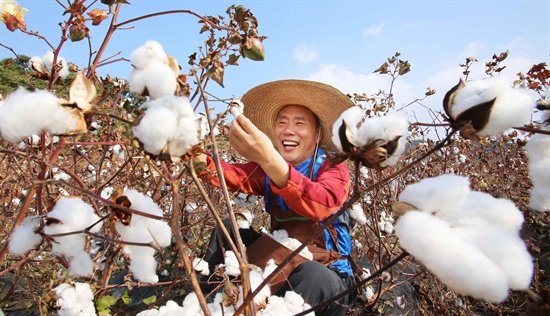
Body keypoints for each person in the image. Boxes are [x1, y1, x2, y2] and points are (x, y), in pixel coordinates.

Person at [197, 79, 356, 316]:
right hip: (286, 258)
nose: (288, 130)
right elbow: (233, 175)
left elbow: (323, 203)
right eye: (282, 123)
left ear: (317, 133)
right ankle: (210, 305)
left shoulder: (332, 166)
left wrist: (271, 160)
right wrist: (195, 156)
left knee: (312, 275)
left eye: (300, 123)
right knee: (228, 230)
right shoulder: (268, 170)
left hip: (329, 275)